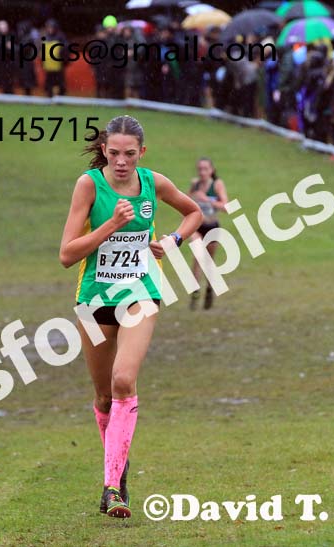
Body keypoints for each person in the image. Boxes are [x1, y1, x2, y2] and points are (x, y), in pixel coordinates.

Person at [59, 115, 202, 518]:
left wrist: (173, 240)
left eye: (130, 154)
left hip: (141, 291)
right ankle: (118, 475)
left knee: (124, 380)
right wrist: (111, 225)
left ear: (142, 152)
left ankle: (111, 486)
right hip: (93, 300)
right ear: (104, 149)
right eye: (115, 153)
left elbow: (194, 213)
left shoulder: (153, 183)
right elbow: (68, 255)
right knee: (104, 395)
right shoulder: (89, 185)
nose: (122, 161)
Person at [188, 157, 228, 310]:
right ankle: (195, 291)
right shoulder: (195, 184)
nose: (202, 172)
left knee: (209, 262)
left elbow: (226, 206)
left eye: (205, 169)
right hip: (197, 227)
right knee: (197, 256)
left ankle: (209, 289)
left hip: (212, 227)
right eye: (200, 169)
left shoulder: (217, 185)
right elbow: (185, 201)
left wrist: (207, 200)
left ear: (211, 170)